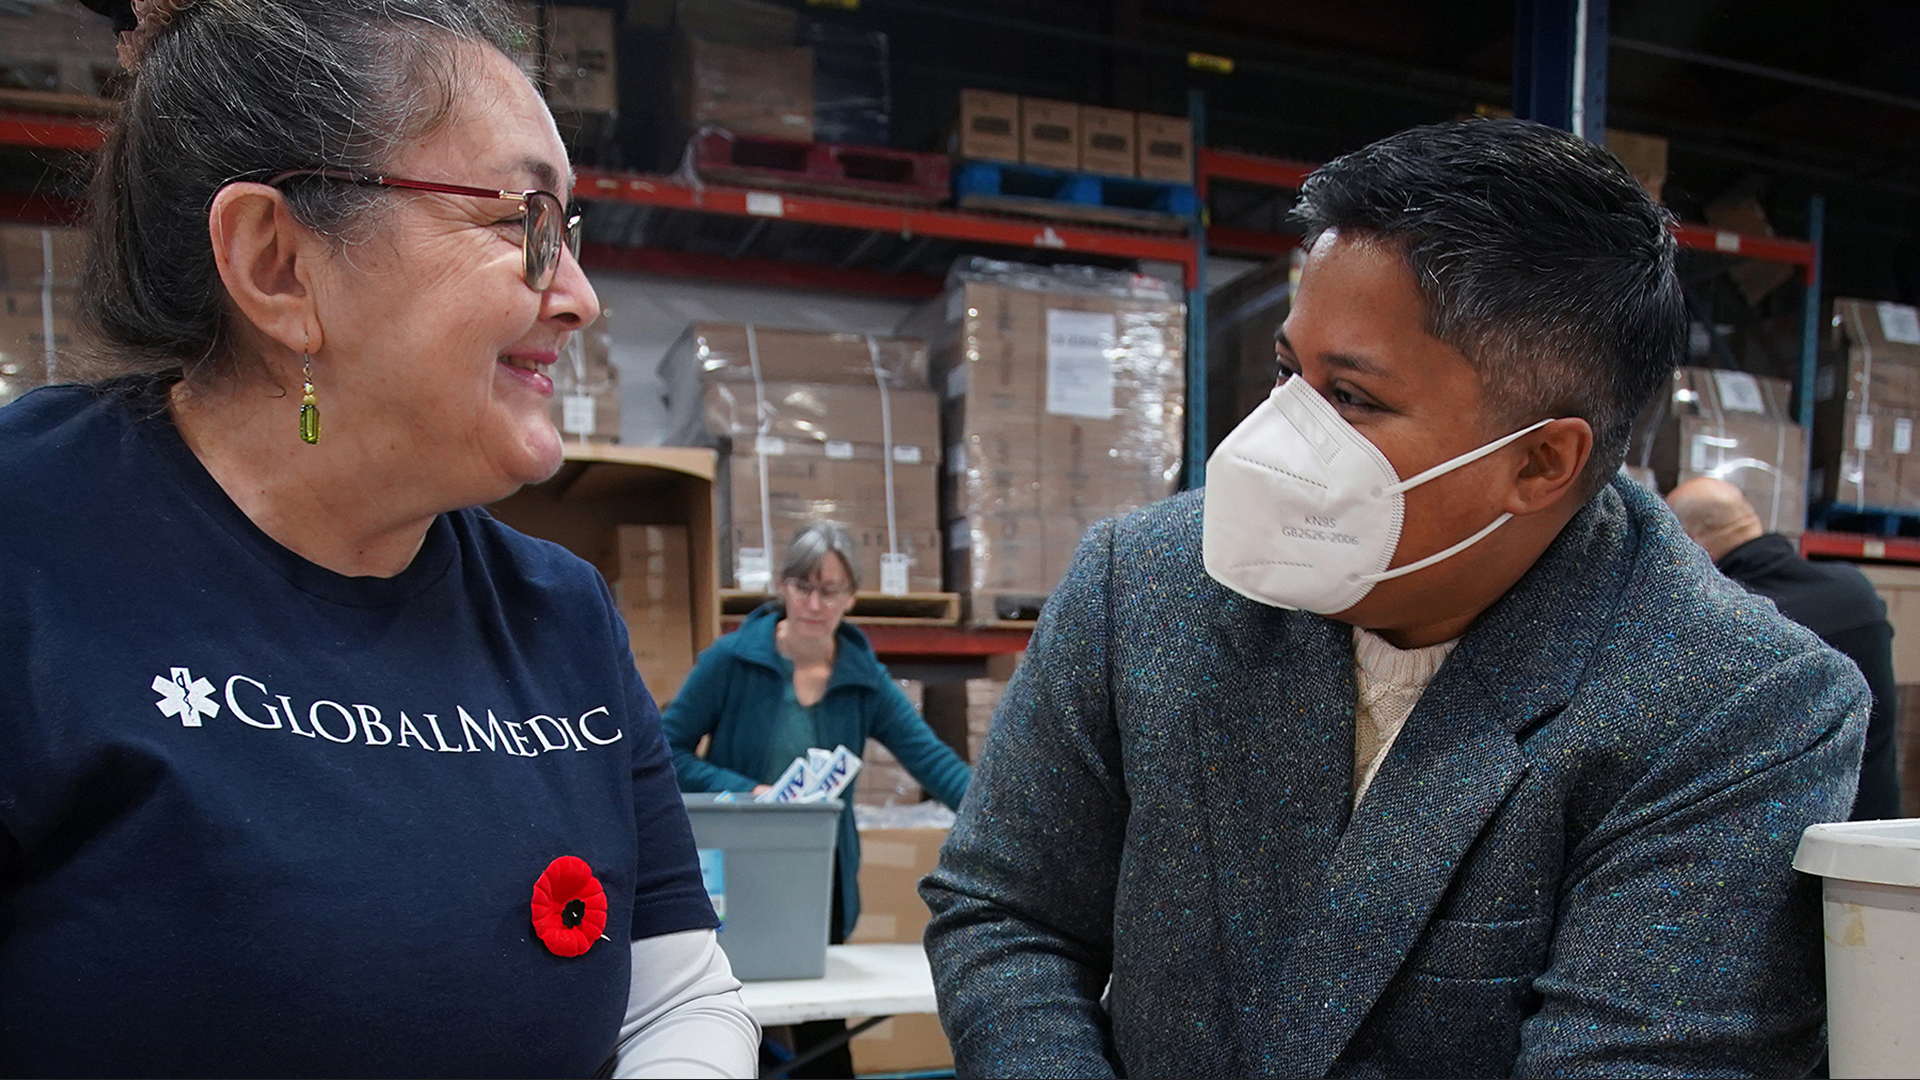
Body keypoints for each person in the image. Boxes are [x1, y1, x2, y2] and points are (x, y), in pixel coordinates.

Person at [921, 117, 1868, 1079]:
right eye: (1288, 372)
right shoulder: (1149, 583)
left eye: (1353, 398)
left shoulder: (1735, 709)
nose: (1279, 439)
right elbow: (1009, 914)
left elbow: (1641, 1058)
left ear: (1540, 462)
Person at [0, 2, 756, 1075]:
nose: (581, 297)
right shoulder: (30, 544)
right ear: (278, 264)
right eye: (522, 221)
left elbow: (676, 998)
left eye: (569, 232)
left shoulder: (559, 616)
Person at [666, 521, 970, 1078]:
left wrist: (1000, 820)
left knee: (822, 1036)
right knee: (730, 1020)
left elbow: (933, 762)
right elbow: (665, 751)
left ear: (851, 597)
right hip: (732, 876)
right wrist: (749, 790)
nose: (813, 603)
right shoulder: (730, 661)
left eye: (830, 590)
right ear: (782, 586)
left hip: (815, 885)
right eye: (803, 586)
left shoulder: (863, 679)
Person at [1668, 475, 1902, 819]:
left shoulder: (1724, 618)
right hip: (1875, 833)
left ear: (1689, 541)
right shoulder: (1857, 592)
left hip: (1795, 845)